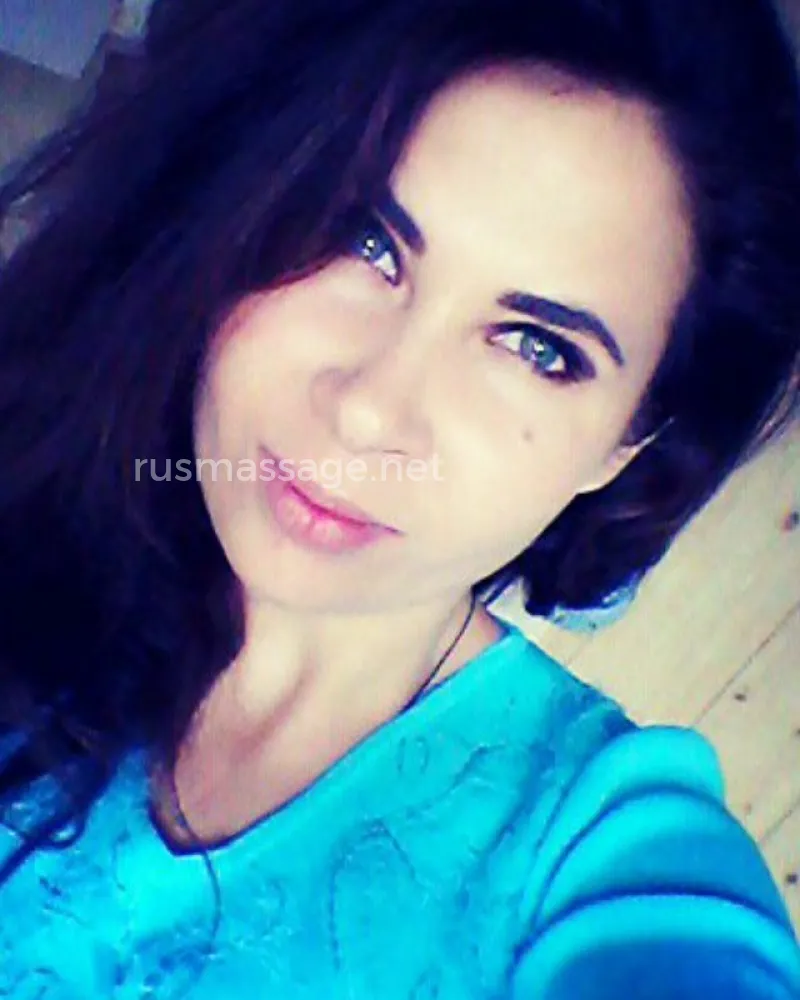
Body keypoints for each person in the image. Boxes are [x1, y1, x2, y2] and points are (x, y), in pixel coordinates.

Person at [0, 0, 799, 996]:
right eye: (361, 241)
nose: (369, 410)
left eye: (536, 348)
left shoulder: (593, 859)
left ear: (627, 444)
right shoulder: (46, 498)